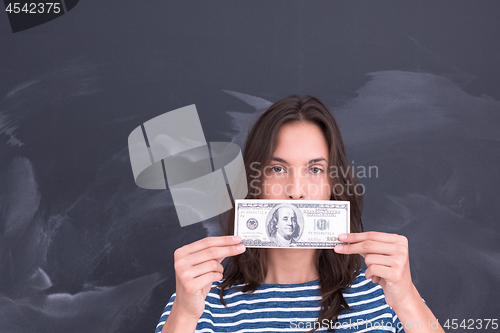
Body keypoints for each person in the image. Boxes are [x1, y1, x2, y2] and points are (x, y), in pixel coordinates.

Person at [155, 95, 445, 333]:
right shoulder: (198, 301)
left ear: (334, 183)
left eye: (315, 169)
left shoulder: (385, 295)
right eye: (277, 168)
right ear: (253, 182)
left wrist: (406, 300)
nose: (296, 191)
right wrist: (184, 315)